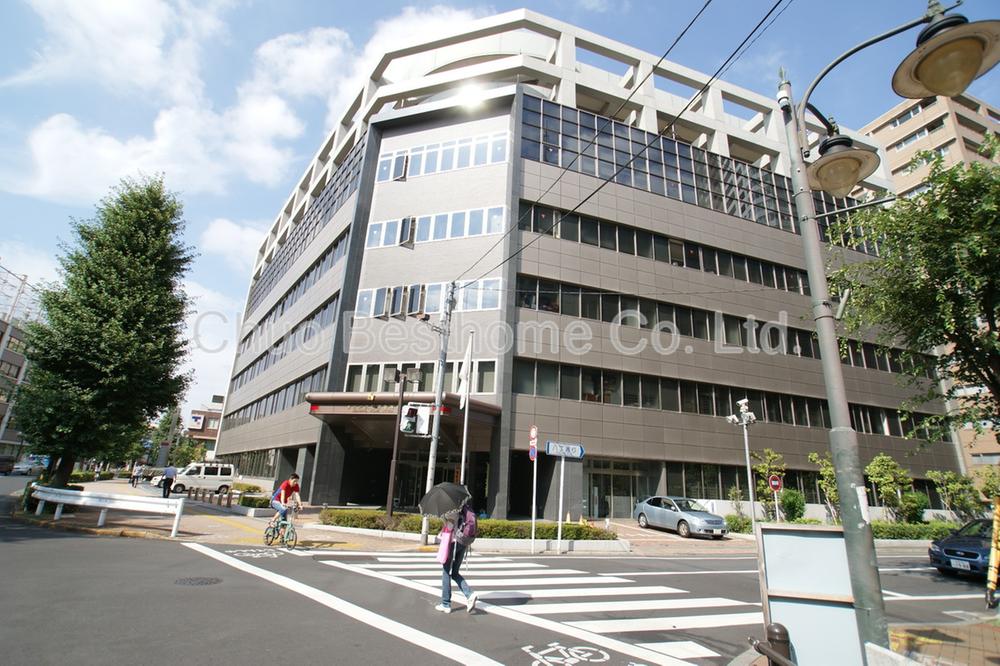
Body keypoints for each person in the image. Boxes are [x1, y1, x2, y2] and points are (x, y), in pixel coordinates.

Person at [435, 505, 479, 614]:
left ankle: (445, 604)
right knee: (454, 573)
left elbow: (450, 526)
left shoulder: (451, 508)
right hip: (463, 542)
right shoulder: (463, 506)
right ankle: (470, 594)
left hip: (453, 542)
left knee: (446, 571)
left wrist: (443, 517)